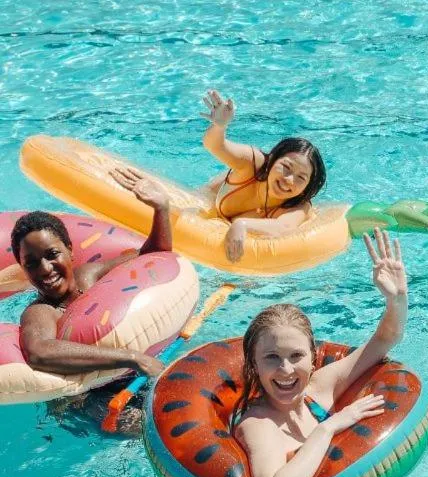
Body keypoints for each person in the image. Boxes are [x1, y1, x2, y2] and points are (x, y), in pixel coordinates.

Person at [232, 229, 408, 477]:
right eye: (271, 357)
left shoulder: (319, 390)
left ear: (314, 357)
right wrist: (329, 428)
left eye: (296, 356)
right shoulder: (259, 424)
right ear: (253, 364)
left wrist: (396, 298)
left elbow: (385, 340)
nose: (285, 369)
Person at [13, 167, 172, 379]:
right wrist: (131, 357)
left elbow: (152, 256)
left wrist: (161, 208)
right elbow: (39, 352)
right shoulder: (41, 311)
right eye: (31, 264)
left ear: (69, 249)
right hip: (92, 398)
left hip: (140, 369)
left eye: (52, 254)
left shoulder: (88, 276)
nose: (45, 268)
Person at [200, 89, 327, 263]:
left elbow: (284, 227)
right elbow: (215, 146)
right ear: (272, 161)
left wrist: (242, 224)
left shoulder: (299, 205)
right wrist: (219, 126)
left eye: (301, 178)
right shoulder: (253, 163)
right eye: (286, 167)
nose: (289, 180)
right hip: (208, 201)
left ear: (307, 187)